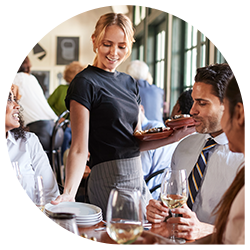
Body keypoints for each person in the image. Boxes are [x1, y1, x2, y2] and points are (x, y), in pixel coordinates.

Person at [52, 13, 195, 218]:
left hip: (138, 178)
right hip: (108, 180)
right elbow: (78, 148)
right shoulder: (84, 83)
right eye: (107, 44)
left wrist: (174, 136)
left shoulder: (130, 83)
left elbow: (134, 141)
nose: (114, 53)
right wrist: (69, 193)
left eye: (121, 46)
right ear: (94, 41)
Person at [134, 68, 245, 245]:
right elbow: (173, 203)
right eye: (194, 101)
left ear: (228, 106)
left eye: (202, 103)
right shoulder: (185, 145)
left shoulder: (241, 159)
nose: (192, 110)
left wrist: (204, 229)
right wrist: (160, 211)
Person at [5, 75, 59, 216]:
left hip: (30, 226)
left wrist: (33, 224)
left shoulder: (29, 141)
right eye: (9, 99)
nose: (17, 106)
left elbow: (50, 194)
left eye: (15, 99)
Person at [141, 89, 194, 199]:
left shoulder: (156, 136)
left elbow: (139, 172)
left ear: (178, 108)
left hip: (152, 198)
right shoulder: (198, 142)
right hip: (180, 199)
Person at [5, 48, 58, 126]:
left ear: (10, 62)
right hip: (53, 124)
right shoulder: (31, 77)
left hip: (37, 126)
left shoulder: (12, 78)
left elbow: (8, 101)